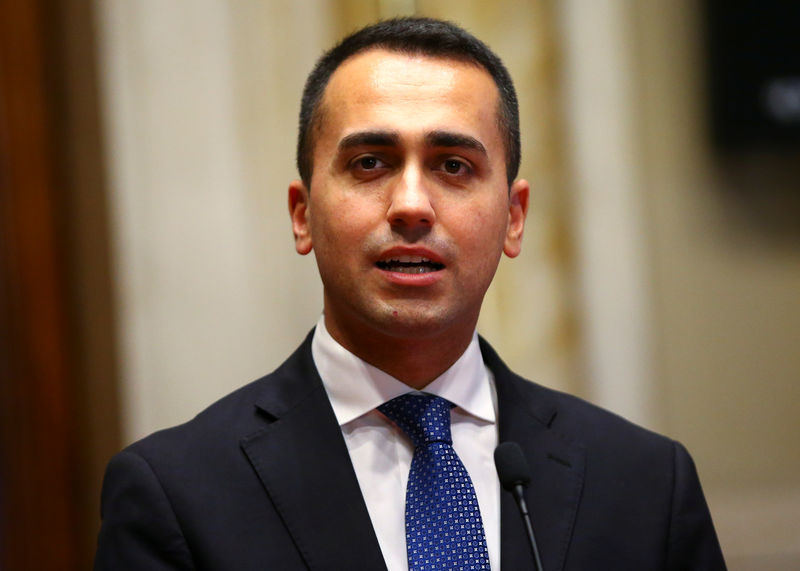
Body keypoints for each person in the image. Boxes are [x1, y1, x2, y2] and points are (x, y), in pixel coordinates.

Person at [94, 17, 726, 570]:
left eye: (454, 165)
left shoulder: (645, 483)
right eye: (370, 162)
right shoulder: (176, 495)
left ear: (513, 217)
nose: (412, 206)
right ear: (302, 215)